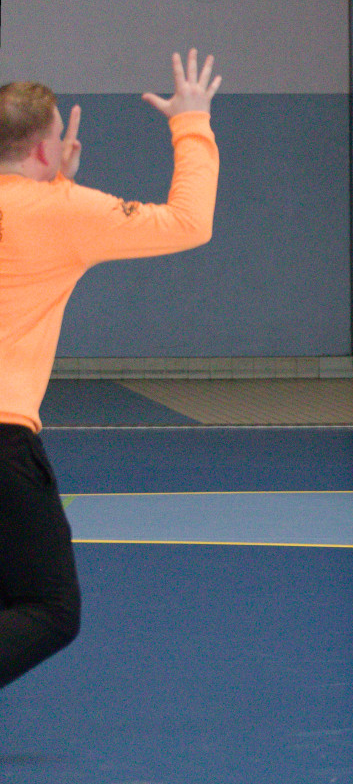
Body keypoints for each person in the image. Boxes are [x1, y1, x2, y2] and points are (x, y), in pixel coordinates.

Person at [0, 50, 221, 688]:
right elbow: (189, 222)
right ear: (47, 148)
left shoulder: (51, 201)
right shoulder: (63, 211)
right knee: (47, 610)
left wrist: (52, 184)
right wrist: (191, 122)